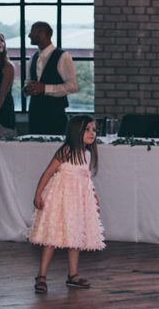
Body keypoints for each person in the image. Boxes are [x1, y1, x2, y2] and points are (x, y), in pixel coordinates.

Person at [29, 115, 104, 294]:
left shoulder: (87, 154)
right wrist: (38, 194)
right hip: (60, 199)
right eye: (87, 129)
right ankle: (41, 276)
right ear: (76, 131)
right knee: (52, 237)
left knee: (75, 235)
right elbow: (48, 172)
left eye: (94, 130)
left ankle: (73, 275)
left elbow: (86, 178)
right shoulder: (66, 151)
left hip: (77, 201)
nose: (92, 133)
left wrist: (95, 197)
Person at [24, 21, 78, 135]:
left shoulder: (63, 56)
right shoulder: (33, 57)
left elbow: (72, 86)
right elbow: (28, 80)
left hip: (55, 115)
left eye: (32, 32)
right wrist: (27, 89)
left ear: (43, 33)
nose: (29, 35)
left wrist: (45, 88)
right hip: (34, 113)